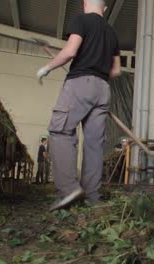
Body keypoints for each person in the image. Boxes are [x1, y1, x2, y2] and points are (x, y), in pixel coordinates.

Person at [36, 0, 121, 211]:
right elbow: (116, 71)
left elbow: (70, 51)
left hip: (80, 83)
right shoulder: (111, 33)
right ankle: (92, 199)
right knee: (94, 145)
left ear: (84, 4)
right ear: (105, 9)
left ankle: (68, 190)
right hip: (103, 89)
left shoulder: (81, 20)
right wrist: (97, 78)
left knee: (60, 131)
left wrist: (46, 68)